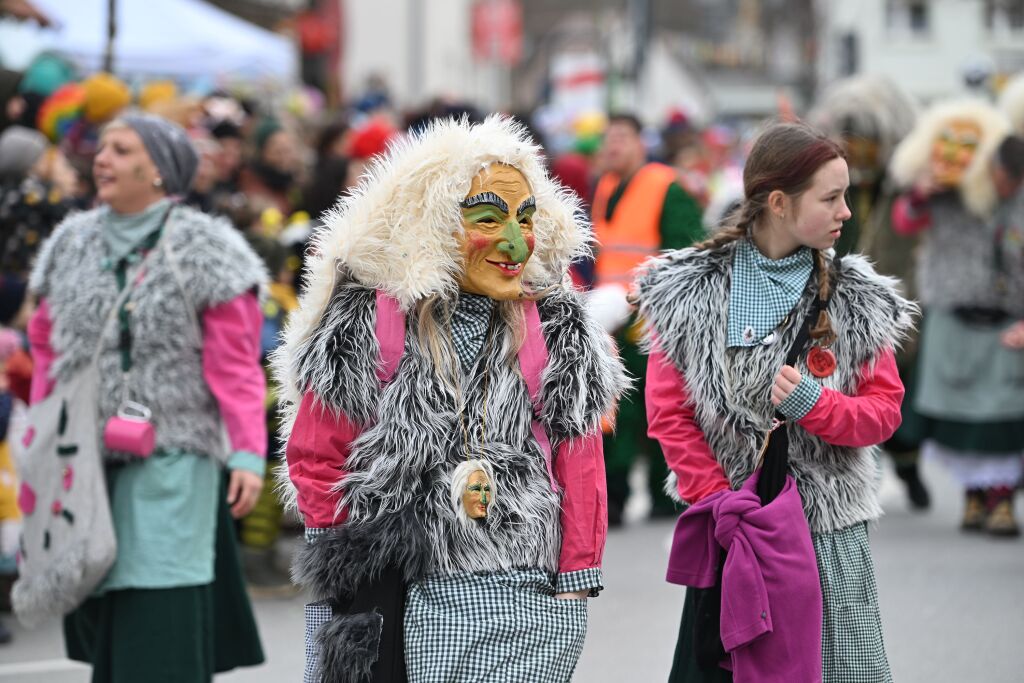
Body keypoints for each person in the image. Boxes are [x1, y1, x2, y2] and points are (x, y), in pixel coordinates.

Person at [275, 116, 626, 682]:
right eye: (489, 218)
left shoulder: (557, 322)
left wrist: (577, 582)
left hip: (529, 593)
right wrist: (345, 575)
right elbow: (318, 452)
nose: (516, 243)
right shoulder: (369, 317)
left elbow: (579, 459)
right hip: (411, 592)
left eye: (527, 218)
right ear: (436, 224)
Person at [636, 121, 916, 682]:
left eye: (846, 196)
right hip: (732, 532)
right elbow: (669, 413)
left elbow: (884, 413)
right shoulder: (688, 291)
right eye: (831, 198)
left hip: (824, 536)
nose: (846, 213)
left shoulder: (858, 298)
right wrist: (720, 503)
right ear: (781, 202)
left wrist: (820, 405)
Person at [26, 112, 267, 682]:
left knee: (159, 612)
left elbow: (236, 367)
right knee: (103, 616)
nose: (101, 159)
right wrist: (43, 433)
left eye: (121, 149)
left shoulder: (207, 251)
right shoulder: (71, 244)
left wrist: (247, 454)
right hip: (82, 462)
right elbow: (45, 344)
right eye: (102, 148)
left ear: (158, 171)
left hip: (174, 460)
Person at [889, 100, 1023, 537]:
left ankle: (1001, 500)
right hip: (952, 311)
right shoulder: (940, 193)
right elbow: (906, 221)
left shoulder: (1013, 194)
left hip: (1008, 318)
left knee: (1005, 414)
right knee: (956, 415)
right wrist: (921, 193)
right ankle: (972, 498)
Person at [809, 74, 932, 509]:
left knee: (898, 386)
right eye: (851, 139)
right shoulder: (835, 185)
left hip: (899, 295)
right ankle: (863, 474)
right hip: (838, 296)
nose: (859, 149)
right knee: (850, 385)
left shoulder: (900, 186)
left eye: (867, 140)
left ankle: (909, 467)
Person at [588, 113, 704, 524]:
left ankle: (664, 493)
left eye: (621, 137)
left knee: (658, 404)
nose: (612, 146)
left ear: (641, 144)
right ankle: (615, 494)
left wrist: (648, 299)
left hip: (649, 315)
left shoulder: (666, 187)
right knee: (615, 407)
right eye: (608, 138)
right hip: (610, 315)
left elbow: (685, 249)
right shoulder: (604, 187)